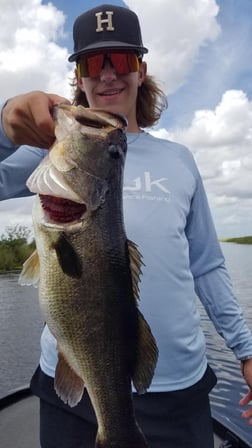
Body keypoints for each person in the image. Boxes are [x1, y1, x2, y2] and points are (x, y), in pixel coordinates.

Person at [1, 4, 252, 447]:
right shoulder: (48, 152)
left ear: (142, 70)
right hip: (74, 386)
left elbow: (208, 266)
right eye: (94, 63)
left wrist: (245, 350)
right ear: (78, 77)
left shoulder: (180, 160)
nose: (109, 75)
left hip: (179, 389)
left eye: (123, 60)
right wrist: (5, 126)